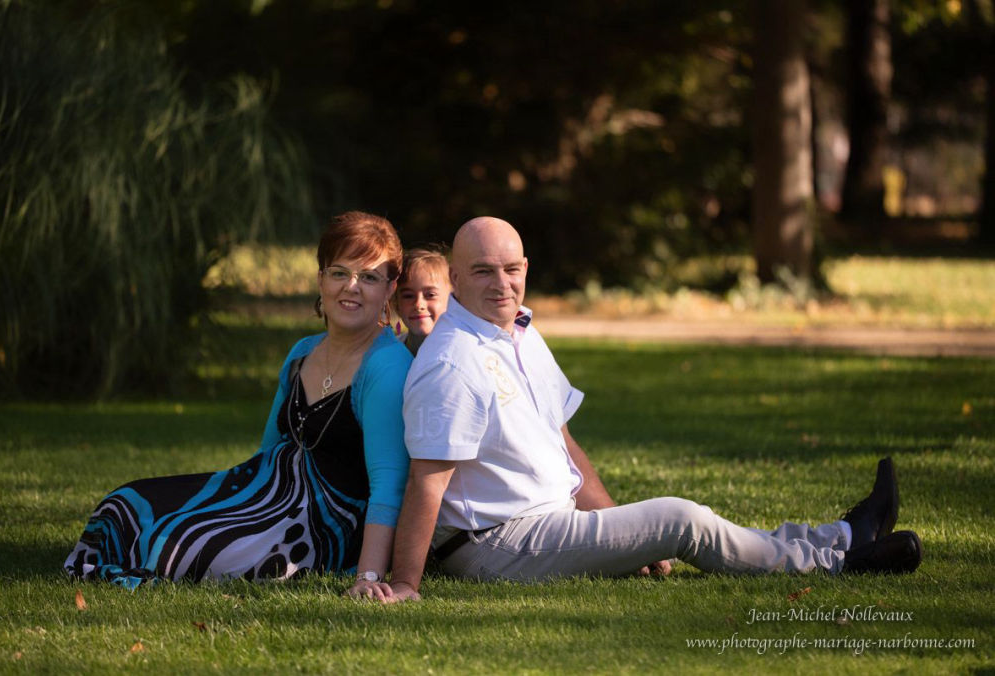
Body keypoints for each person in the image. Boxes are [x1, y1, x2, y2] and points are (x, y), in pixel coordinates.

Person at [385, 216, 922, 602]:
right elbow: (427, 482)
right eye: (483, 272)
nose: (502, 284)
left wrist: (622, 535)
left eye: (512, 268)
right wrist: (407, 583)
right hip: (495, 547)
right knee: (678, 518)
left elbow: (563, 445)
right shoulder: (452, 362)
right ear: (455, 278)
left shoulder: (519, 331)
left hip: (549, 522)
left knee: (670, 522)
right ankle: (842, 557)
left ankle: (843, 535)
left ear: (526, 268)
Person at [65, 211, 412, 601]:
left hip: (320, 523)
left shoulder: (386, 367)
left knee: (203, 551)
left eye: (368, 277)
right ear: (320, 279)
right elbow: (266, 453)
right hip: (262, 496)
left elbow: (388, 486)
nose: (351, 287)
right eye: (339, 272)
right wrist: (236, 506)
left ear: (389, 289)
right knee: (126, 503)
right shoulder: (301, 353)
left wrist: (367, 573)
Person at [393, 246, 450, 356]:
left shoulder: (458, 353)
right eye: (408, 296)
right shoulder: (388, 354)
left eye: (430, 295)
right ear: (396, 304)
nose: (419, 304)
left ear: (451, 300)